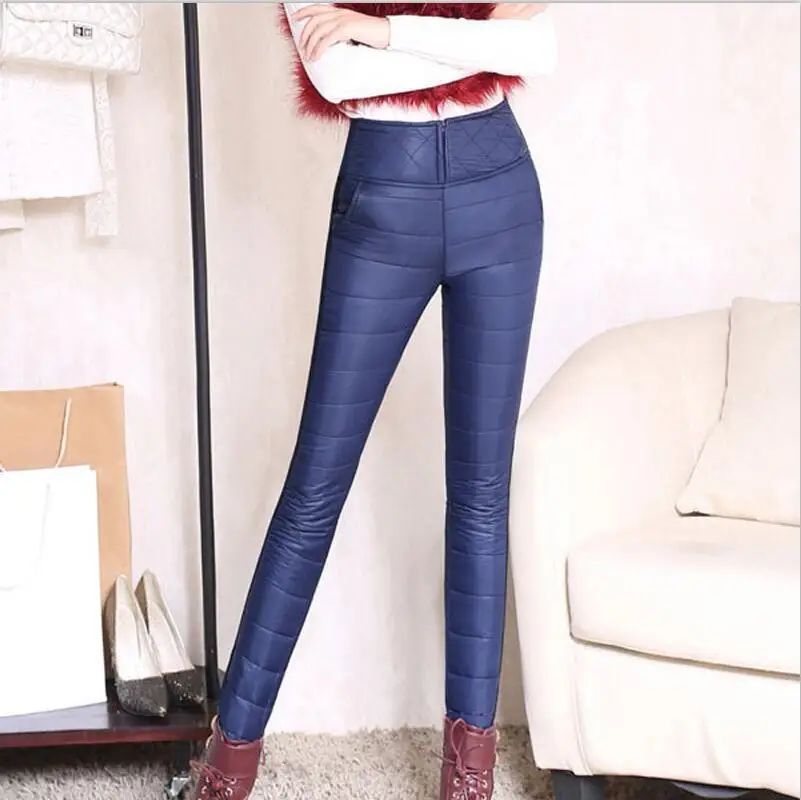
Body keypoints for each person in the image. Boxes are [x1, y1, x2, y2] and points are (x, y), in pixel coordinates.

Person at [190, 4, 557, 798]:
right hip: (385, 205)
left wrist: (383, 30)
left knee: (482, 492)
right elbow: (339, 76)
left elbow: (535, 47)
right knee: (315, 485)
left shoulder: (380, 27)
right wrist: (471, 47)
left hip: (501, 196)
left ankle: (469, 772)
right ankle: (230, 760)